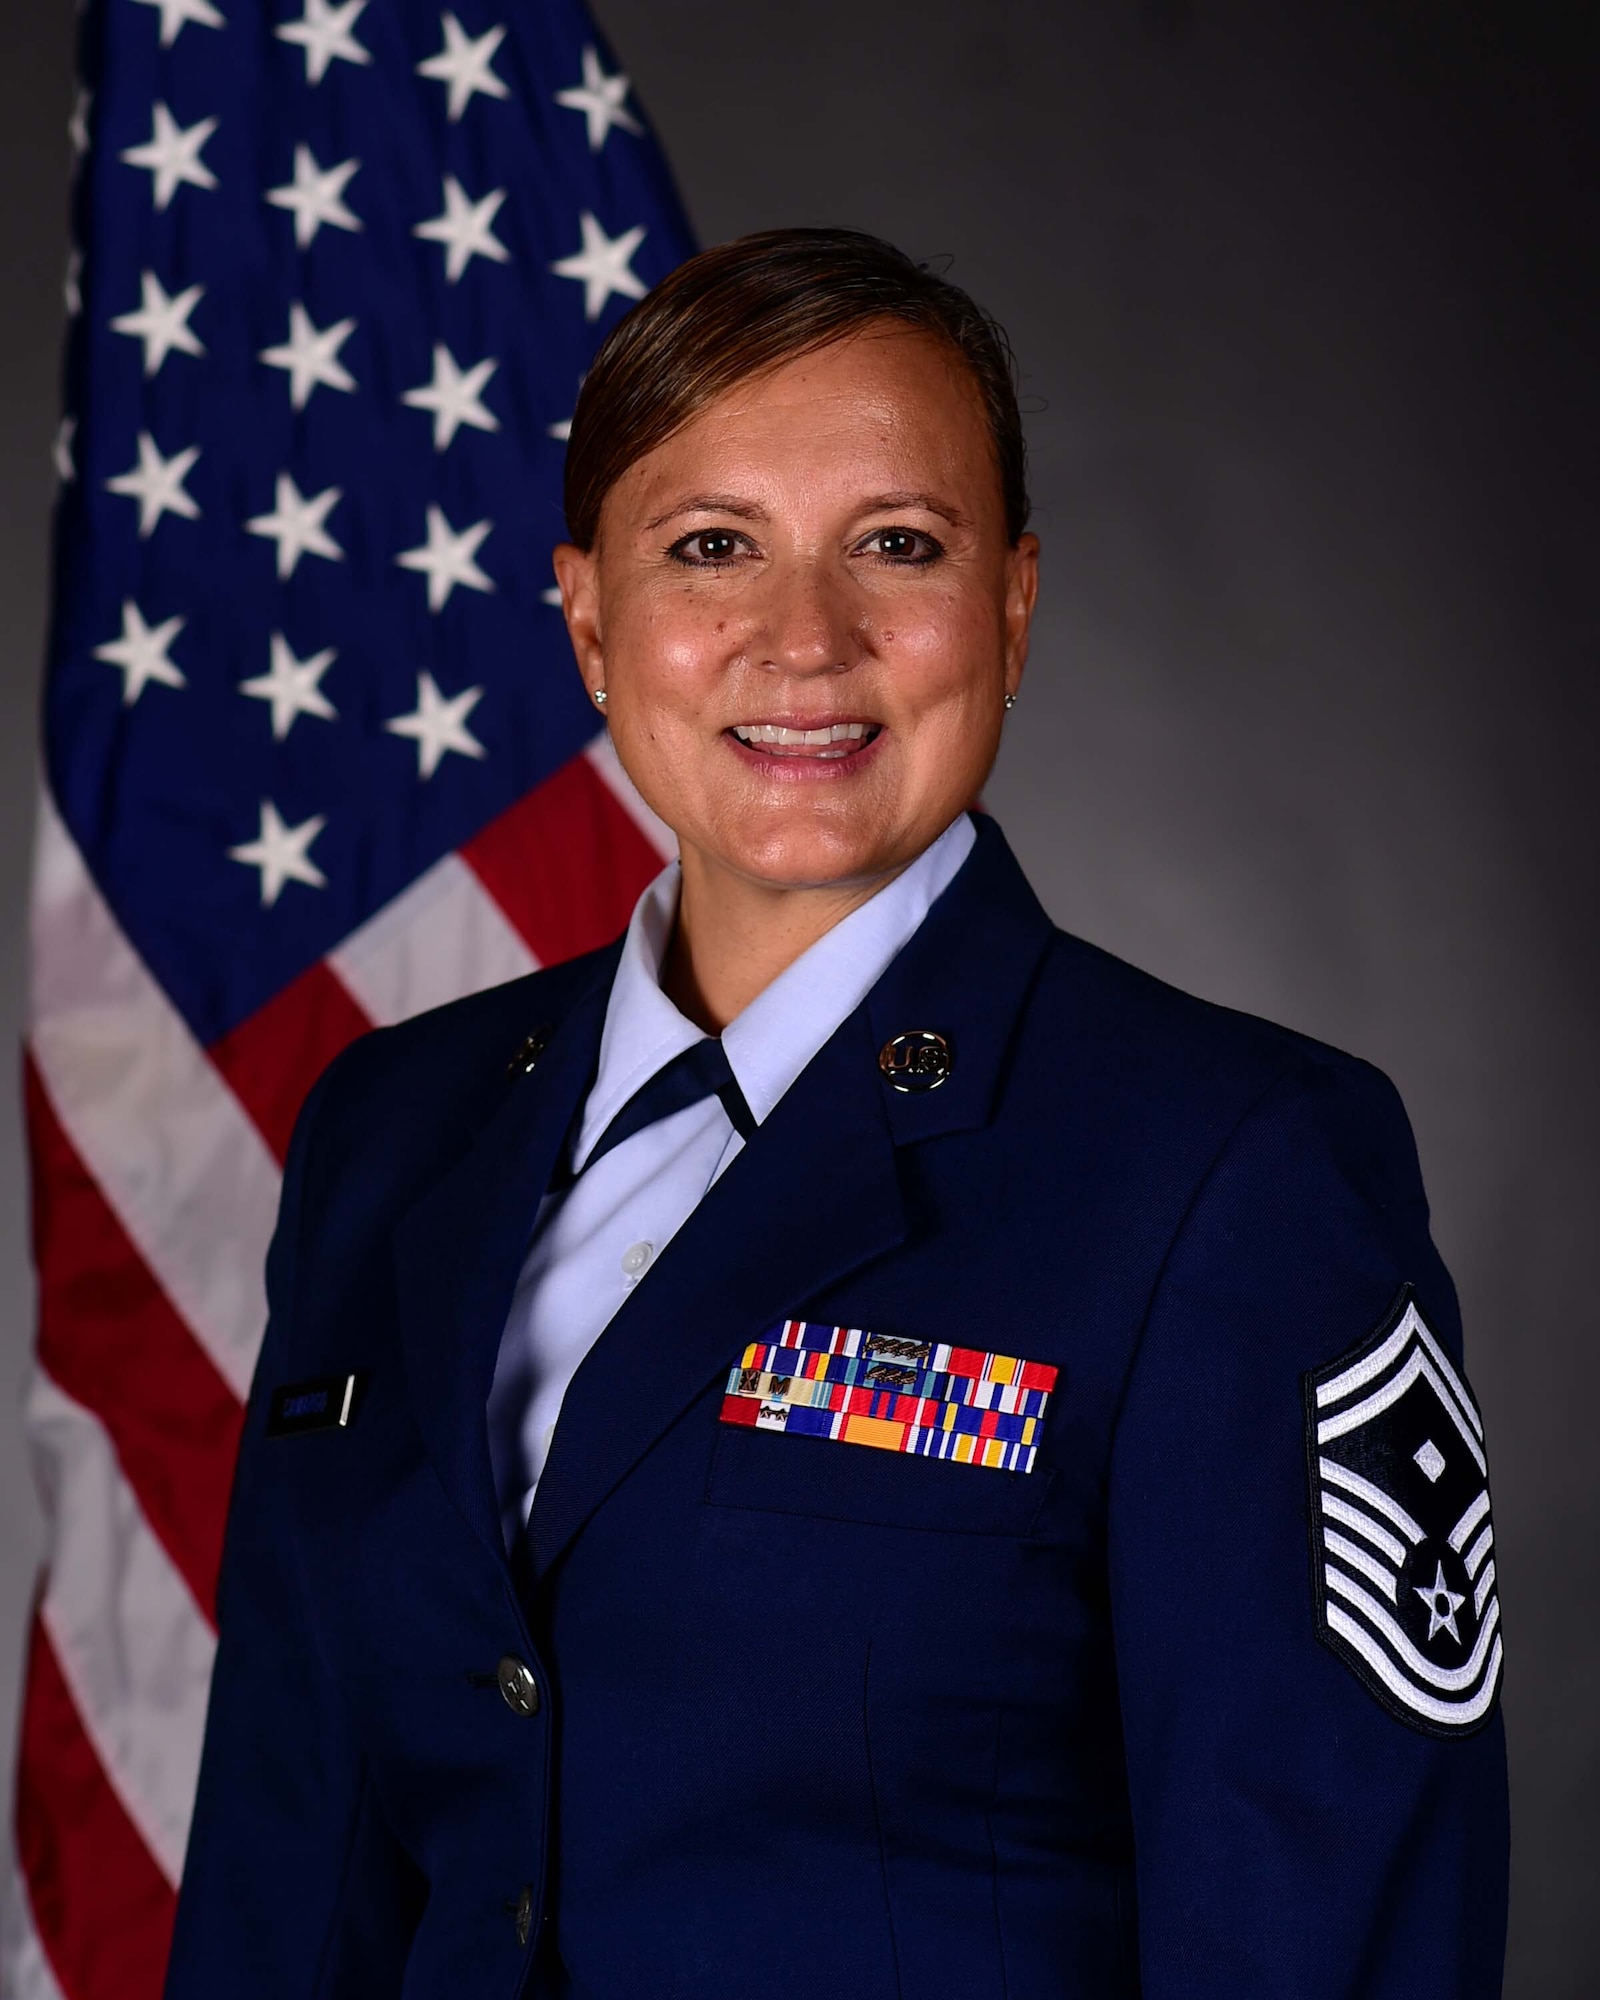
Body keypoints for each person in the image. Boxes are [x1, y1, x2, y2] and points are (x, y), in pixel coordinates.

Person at [165, 228, 1509, 2000]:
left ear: (1013, 606)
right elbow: (288, 1872)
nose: (804, 640)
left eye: (899, 545)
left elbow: (1329, 1944)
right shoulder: (391, 1132)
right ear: (587, 619)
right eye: (709, 548)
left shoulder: (1233, 1171)